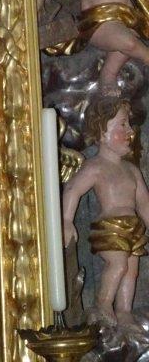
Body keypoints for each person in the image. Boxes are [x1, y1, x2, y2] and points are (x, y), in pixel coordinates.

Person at [62, 97, 149, 325]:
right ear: (102, 132)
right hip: (110, 228)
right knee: (118, 265)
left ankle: (124, 311)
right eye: (123, 124)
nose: (130, 131)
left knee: (131, 271)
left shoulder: (132, 170)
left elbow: (143, 203)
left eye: (129, 124)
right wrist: (66, 220)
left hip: (134, 228)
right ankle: (103, 304)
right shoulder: (96, 167)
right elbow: (73, 189)